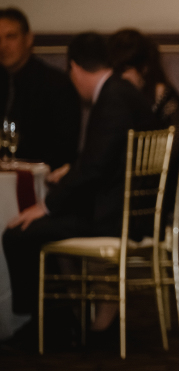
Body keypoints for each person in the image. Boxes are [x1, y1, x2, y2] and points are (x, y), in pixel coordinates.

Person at [3, 32, 156, 325]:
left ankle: (41, 324)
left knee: (18, 233)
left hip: (113, 216)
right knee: (43, 224)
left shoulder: (111, 99)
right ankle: (69, 315)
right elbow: (104, 159)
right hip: (126, 208)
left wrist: (46, 205)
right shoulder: (121, 92)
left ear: (74, 67)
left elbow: (96, 168)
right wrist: (73, 171)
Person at [108, 29, 179, 225]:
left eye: (123, 71)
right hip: (125, 196)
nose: (117, 79)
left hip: (149, 204)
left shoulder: (168, 104)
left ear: (143, 68)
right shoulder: (122, 101)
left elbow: (162, 165)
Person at [0, 7, 80, 170]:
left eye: (11, 37)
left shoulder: (55, 84)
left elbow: (64, 148)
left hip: (41, 179)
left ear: (28, 39)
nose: (3, 46)